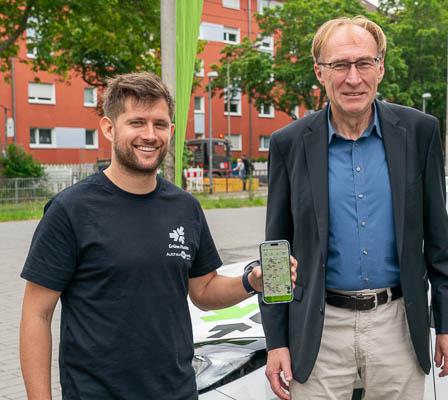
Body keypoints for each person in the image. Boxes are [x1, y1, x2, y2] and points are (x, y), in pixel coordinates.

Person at [19, 72, 297, 400]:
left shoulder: (185, 207)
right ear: (109, 128)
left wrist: (252, 282)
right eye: (137, 122)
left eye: (160, 124)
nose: (150, 135)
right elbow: (36, 315)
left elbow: (204, 290)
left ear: (172, 131)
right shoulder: (71, 209)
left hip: (176, 391)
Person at [261, 16, 448, 400]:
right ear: (319, 72)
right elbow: (276, 251)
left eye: (364, 63)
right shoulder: (289, 143)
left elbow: (440, 239)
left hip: (398, 325)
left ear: (380, 68)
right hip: (319, 328)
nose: (353, 78)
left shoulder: (419, 132)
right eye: (340, 65)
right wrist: (276, 341)